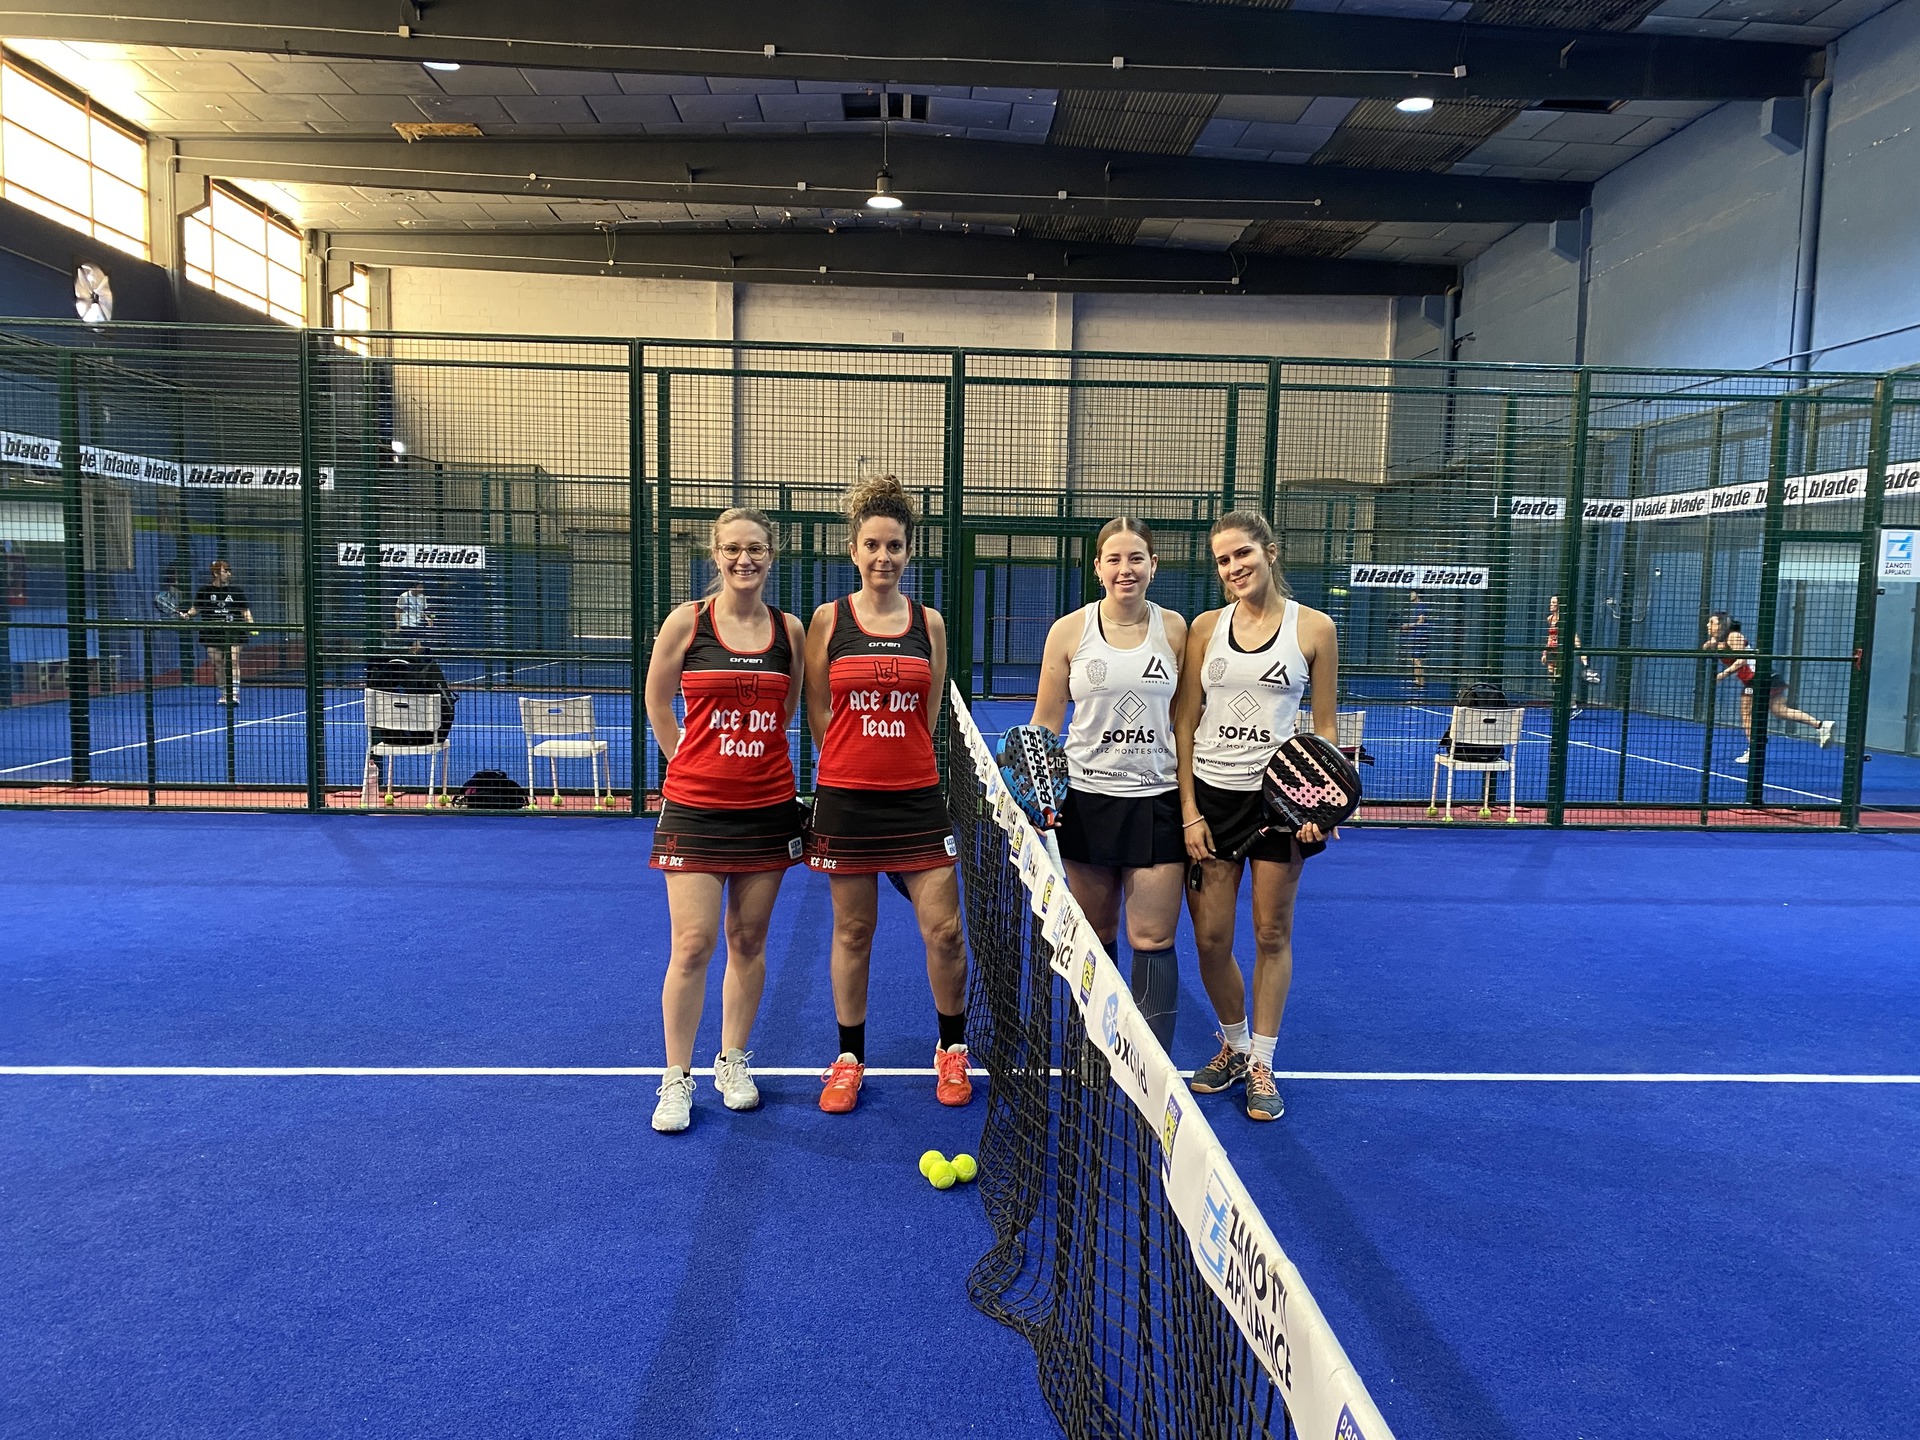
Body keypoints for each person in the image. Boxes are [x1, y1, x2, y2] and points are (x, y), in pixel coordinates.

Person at [804, 474, 968, 1116]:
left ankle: (951, 1049)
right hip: (846, 801)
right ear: (853, 550)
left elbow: (930, 710)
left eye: (894, 545)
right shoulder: (829, 620)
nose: (883, 556)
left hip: (917, 799)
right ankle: (848, 1059)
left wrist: (899, 754)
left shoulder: (929, 623)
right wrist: (851, 759)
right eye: (871, 545)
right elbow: (818, 708)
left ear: (908, 551)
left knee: (946, 932)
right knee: (853, 931)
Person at [643, 508, 807, 1134]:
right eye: (733, 548)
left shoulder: (789, 631)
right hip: (695, 809)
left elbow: (787, 708)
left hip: (768, 809)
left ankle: (733, 1060)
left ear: (771, 554)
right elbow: (658, 699)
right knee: (692, 944)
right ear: (716, 554)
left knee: (748, 941)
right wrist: (685, 760)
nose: (745, 559)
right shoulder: (687, 622)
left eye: (756, 548)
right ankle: (675, 1077)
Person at [1173, 510, 1340, 1123]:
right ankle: (1235, 1045)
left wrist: (1319, 805)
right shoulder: (1205, 628)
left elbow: (1325, 730)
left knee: (1272, 934)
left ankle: (1263, 1060)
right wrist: (1189, 810)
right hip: (1212, 801)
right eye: (1222, 560)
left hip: (1279, 804)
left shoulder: (1314, 628)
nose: (1233, 567)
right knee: (1211, 939)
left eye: (1242, 553)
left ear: (1270, 551)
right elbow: (1184, 722)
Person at [1029, 517, 1188, 1050]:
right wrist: (1036, 797)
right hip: (1086, 802)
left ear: (1153, 566)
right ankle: (1095, 1053)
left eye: (1136, 558)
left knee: (1154, 937)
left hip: (1157, 800)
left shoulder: (1177, 630)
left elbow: (1186, 719)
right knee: (1096, 938)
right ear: (1097, 567)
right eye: (1114, 559)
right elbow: (1045, 723)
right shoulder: (1068, 631)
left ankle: (1154, 1067)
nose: (1126, 569)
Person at [1705, 612, 1834, 763]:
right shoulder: (1720, 642)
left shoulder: (1734, 636)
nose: (1708, 625)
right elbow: (1706, 648)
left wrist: (1722, 675)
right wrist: (1714, 641)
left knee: (1746, 712)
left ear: (1722, 625)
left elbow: (1742, 660)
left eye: (1712, 622)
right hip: (1763, 678)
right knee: (1779, 710)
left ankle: (1755, 748)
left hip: (1757, 678)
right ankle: (1821, 725)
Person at [179, 560, 252, 705]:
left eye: (229, 571)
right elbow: (196, 609)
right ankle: (224, 694)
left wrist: (251, 624)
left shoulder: (236, 591)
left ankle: (234, 694)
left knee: (233, 661)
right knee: (218, 663)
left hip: (234, 632)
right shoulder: (204, 591)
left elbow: (245, 611)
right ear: (216, 573)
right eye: (226, 571)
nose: (229, 574)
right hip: (212, 633)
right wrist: (187, 614)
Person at [1399, 589, 1430, 691]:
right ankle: (1418, 681)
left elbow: (1421, 621)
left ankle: (1421, 683)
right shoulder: (1418, 606)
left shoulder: (1421, 606)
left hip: (1420, 636)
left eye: (1412, 592)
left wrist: (1409, 626)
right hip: (1417, 636)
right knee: (1415, 659)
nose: (1410, 594)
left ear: (1417, 594)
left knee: (1417, 659)